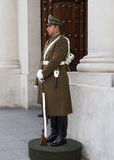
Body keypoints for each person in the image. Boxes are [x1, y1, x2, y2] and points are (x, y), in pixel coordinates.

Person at [36, 15, 73, 147]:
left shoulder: (62, 41)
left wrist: (44, 73)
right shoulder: (48, 41)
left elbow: (56, 60)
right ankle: (54, 132)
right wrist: (38, 78)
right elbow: (43, 60)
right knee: (51, 107)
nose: (47, 28)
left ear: (56, 27)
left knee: (60, 108)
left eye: (49, 26)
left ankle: (62, 135)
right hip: (48, 78)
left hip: (57, 77)